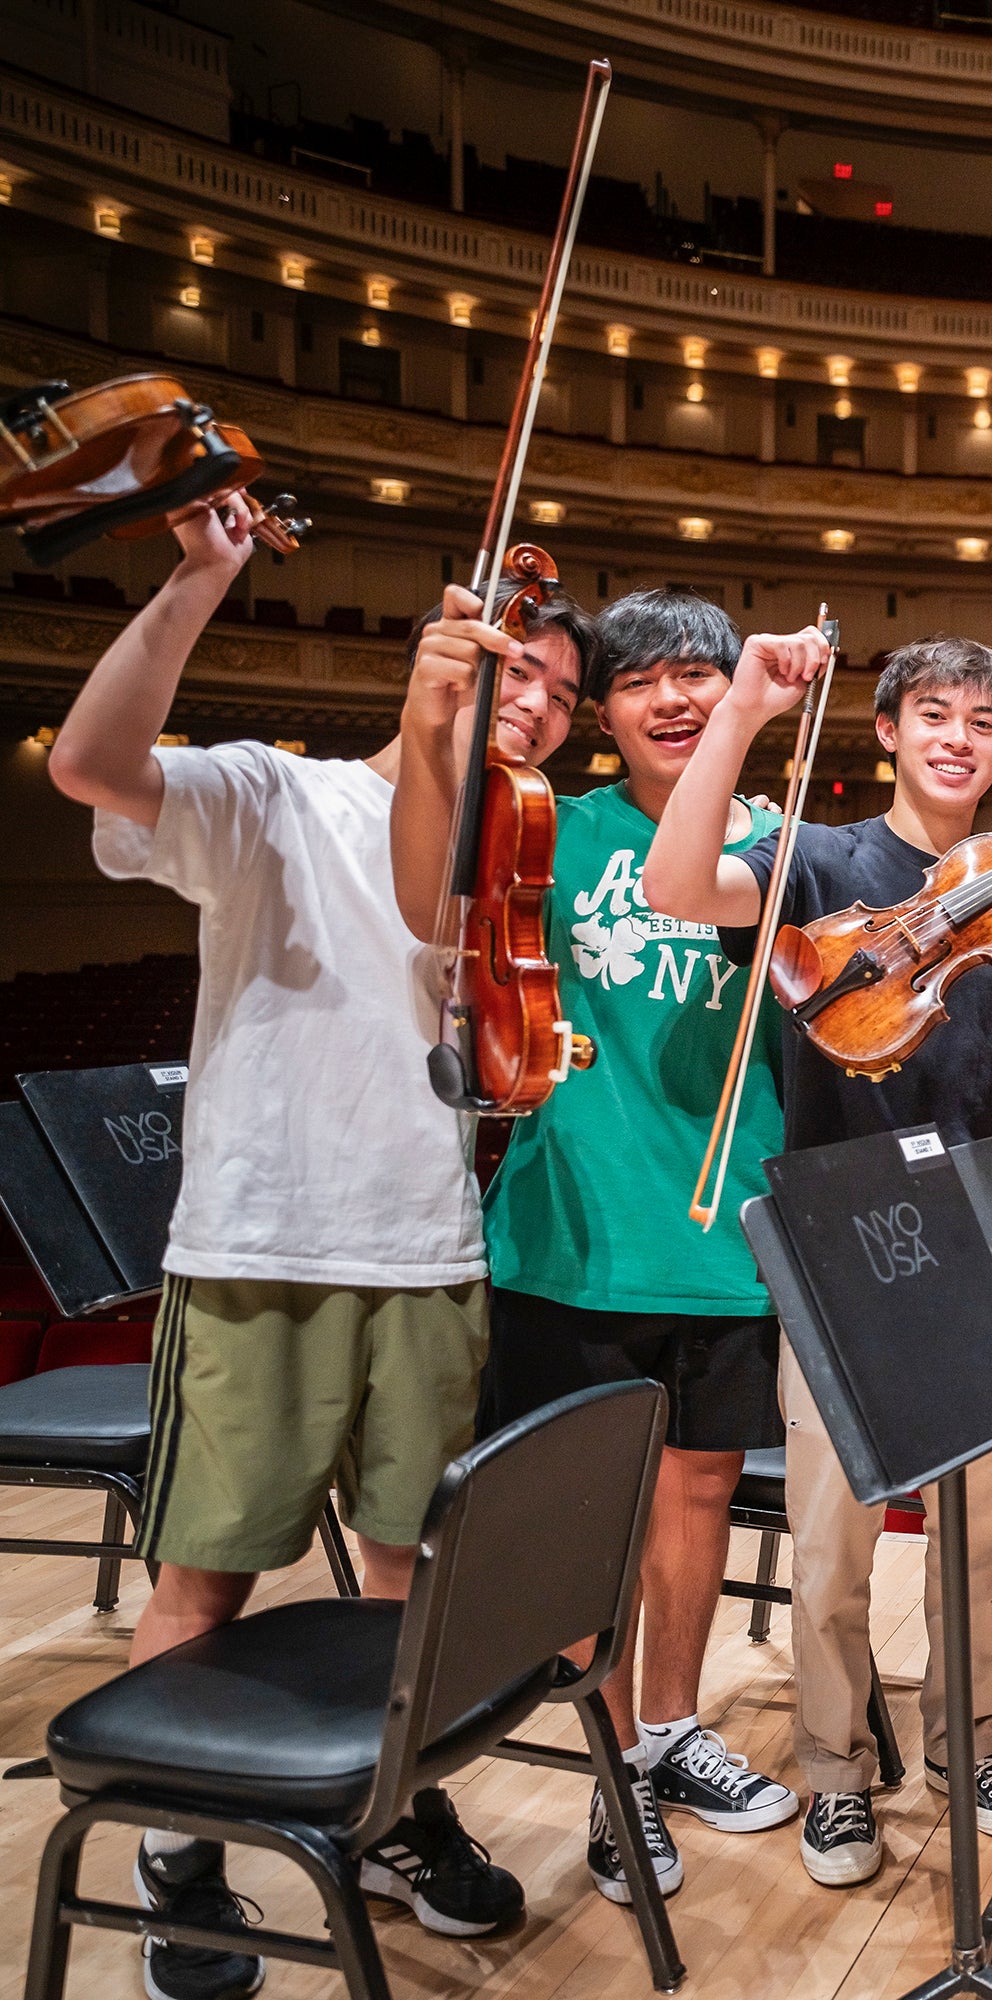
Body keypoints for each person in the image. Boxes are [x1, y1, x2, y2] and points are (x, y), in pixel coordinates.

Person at [48, 503, 560, 2000]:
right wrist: (202, 575)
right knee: (206, 1578)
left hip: (427, 1253)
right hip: (266, 1239)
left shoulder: (505, 857)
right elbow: (89, 766)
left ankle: (392, 1813)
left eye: (556, 689)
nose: (531, 694)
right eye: (512, 665)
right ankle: (170, 1850)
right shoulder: (279, 793)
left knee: (413, 1587)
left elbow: (440, 928)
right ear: (458, 654)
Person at [644, 632, 992, 1887]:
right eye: (932, 713)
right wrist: (744, 711)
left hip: (980, 1218)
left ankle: (971, 1743)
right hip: (839, 1227)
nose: (956, 735)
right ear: (891, 730)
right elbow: (678, 888)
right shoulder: (820, 861)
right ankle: (836, 1771)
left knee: (985, 1531)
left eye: (981, 721)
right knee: (831, 1535)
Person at [418, 590, 809, 1907]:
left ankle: (667, 1729)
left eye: (703, 673)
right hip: (572, 1228)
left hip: (720, 1229)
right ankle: (606, 1767)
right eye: (644, 680)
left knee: (700, 1495)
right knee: (587, 1513)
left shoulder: (773, 837)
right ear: (605, 711)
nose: (678, 698)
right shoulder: (550, 828)